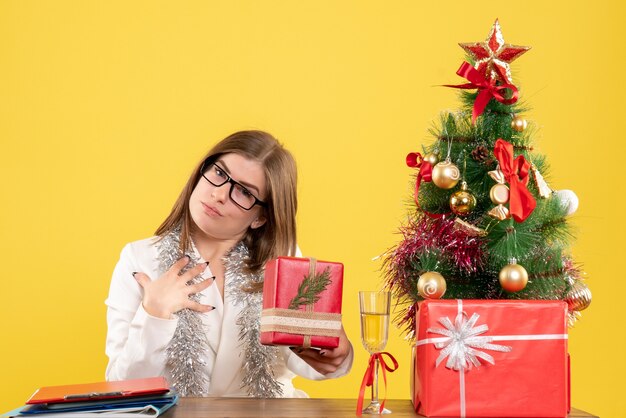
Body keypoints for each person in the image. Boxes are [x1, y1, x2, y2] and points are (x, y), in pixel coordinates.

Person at [105, 130, 353, 398]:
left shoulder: (284, 261)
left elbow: (307, 361)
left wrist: (337, 353)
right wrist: (153, 312)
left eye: (245, 192)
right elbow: (122, 388)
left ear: (261, 218)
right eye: (220, 174)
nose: (220, 194)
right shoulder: (139, 258)